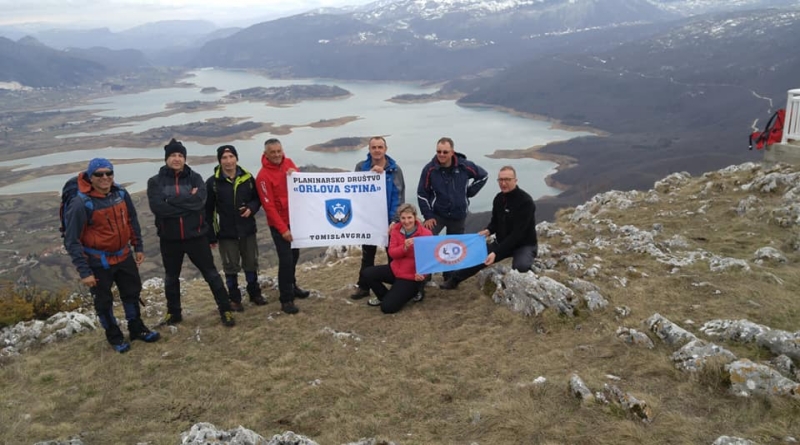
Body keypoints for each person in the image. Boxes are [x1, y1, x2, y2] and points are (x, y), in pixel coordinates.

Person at [64, 158, 160, 353]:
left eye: (109, 173)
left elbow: (132, 220)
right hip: (98, 262)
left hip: (123, 255)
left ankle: (136, 329)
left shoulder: (120, 194)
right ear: (91, 177)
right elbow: (71, 240)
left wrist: (138, 246)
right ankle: (115, 337)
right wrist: (84, 271)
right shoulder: (81, 203)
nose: (105, 177)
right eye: (99, 174)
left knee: (131, 294)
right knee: (104, 302)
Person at [147, 138, 236, 327]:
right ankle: (174, 313)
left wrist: (170, 200)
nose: (177, 159)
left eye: (180, 155)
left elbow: (199, 203)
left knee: (211, 274)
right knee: (171, 278)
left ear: (185, 158)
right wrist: (188, 200)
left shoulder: (195, 178)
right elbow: (158, 209)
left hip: (196, 236)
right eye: (173, 155)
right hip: (169, 239)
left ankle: (226, 309)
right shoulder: (155, 181)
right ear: (166, 158)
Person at [440, 166, 538, 290]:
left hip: (524, 245)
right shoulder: (498, 199)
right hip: (502, 242)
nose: (503, 183)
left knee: (521, 267)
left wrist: (495, 253)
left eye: (507, 179)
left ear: (515, 180)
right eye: (500, 180)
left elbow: (517, 234)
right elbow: (495, 222)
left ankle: (529, 266)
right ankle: (454, 280)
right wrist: (488, 230)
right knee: (477, 257)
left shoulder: (526, 202)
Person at [205, 144, 266, 312]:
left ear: (236, 158)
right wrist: (211, 236)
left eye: (231, 157)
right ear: (219, 161)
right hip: (226, 233)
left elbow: (257, 199)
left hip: (247, 230)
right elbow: (207, 211)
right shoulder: (212, 183)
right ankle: (235, 299)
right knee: (230, 267)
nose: (228, 161)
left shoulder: (248, 178)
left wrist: (251, 209)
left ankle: (255, 294)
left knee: (251, 263)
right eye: (224, 158)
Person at [417, 136, 488, 279]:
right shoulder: (430, 169)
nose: (441, 155)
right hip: (437, 214)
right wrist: (428, 216)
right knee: (427, 241)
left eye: (445, 152)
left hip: (458, 215)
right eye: (439, 151)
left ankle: (448, 277)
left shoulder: (464, 165)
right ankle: (426, 275)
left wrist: (469, 192)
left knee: (453, 247)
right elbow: (422, 194)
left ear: (452, 152)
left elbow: (483, 176)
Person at [255, 138, 310, 315]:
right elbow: (268, 207)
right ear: (266, 154)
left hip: (296, 220)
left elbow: (299, 183)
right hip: (280, 225)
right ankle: (286, 299)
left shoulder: (288, 162)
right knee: (286, 261)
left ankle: (293, 286)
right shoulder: (263, 176)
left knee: (294, 256)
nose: (277, 155)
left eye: (279, 151)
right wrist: (283, 229)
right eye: (273, 152)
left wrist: (296, 173)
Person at [349, 136, 405, 300]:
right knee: (368, 255)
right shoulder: (361, 167)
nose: (377, 150)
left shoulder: (395, 169)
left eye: (380, 147)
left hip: (389, 221)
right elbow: (355, 190)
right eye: (374, 147)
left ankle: (396, 285)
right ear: (369, 149)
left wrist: (394, 221)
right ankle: (364, 286)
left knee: (392, 255)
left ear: (385, 149)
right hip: (369, 221)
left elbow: (398, 196)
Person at [359, 203, 432, 314]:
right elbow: (392, 253)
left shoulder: (426, 234)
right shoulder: (395, 230)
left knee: (387, 308)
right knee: (367, 273)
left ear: (415, 217)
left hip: (411, 276)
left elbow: (429, 258)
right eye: (403, 218)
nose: (406, 221)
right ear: (399, 218)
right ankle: (384, 297)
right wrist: (404, 247)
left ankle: (416, 290)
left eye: (409, 218)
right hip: (395, 270)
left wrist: (423, 275)